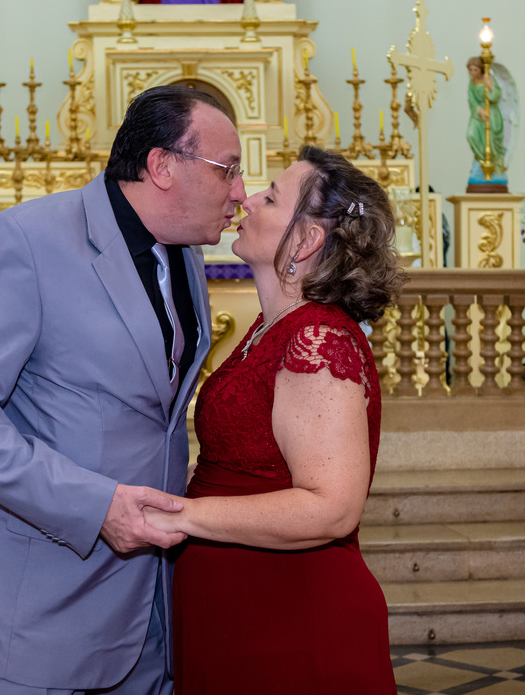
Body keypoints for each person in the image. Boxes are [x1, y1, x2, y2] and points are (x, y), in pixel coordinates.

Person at [0, 85, 246, 695]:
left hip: (152, 606)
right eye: (229, 171)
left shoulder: (186, 257)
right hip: (45, 603)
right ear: (163, 165)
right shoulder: (28, 240)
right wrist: (95, 507)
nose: (242, 194)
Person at [145, 145, 403, 694]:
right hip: (243, 608)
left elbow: (330, 508)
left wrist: (186, 517)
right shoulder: (273, 326)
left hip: (291, 616)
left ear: (307, 240)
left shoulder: (316, 338)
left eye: (270, 196)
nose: (246, 198)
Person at [466, 56, 505, 180]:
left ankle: (493, 168)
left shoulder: (488, 78)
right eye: (470, 70)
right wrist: (479, 110)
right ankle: (482, 162)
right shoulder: (472, 83)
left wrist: (490, 86)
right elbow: (471, 100)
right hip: (478, 114)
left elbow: (496, 96)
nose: (472, 73)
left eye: (475, 70)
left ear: (481, 70)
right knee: (471, 134)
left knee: (491, 141)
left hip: (491, 114)